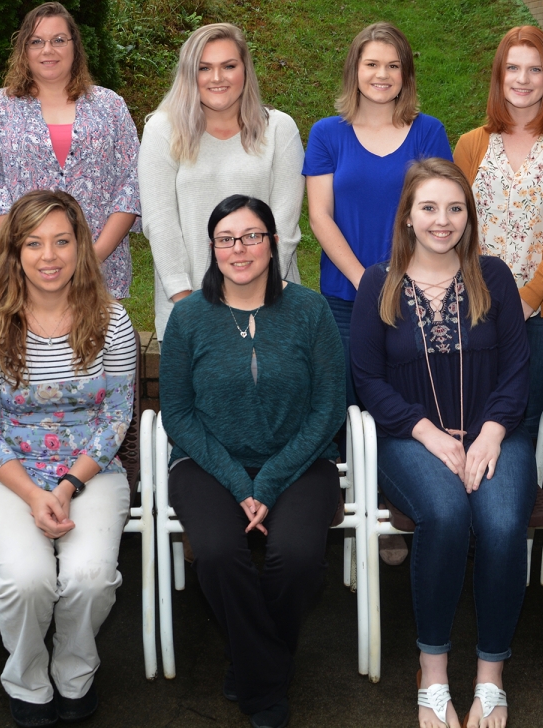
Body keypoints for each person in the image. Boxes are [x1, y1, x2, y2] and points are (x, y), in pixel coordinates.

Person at [350, 159, 532, 728]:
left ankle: (490, 675)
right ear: (407, 216)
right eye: (428, 207)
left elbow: (518, 371)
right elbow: (367, 380)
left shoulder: (494, 277)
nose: (442, 220)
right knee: (448, 514)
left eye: (455, 208)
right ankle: (433, 675)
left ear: (469, 217)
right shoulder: (377, 284)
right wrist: (425, 432)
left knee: (503, 524)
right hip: (409, 437)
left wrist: (492, 433)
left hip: (495, 430)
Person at [159, 195, 345, 728]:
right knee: (217, 553)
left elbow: (328, 407)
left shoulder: (310, 311)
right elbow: (177, 413)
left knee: (297, 557)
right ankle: (267, 679)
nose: (239, 249)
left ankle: (250, 663)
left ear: (274, 242)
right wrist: (240, 481)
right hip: (207, 462)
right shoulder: (189, 316)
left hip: (301, 460)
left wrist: (271, 480)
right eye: (226, 239)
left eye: (252, 236)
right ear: (212, 247)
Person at [0, 189, 137, 727]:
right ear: (13, 253)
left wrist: (64, 488)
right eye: (33, 243)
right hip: (7, 474)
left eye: (62, 240)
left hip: (90, 470)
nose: (49, 255)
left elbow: (117, 416)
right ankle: (27, 677)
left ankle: (74, 669)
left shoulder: (112, 319)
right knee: (27, 580)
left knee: (89, 577)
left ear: (81, 247)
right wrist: (35, 495)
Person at [453, 26, 543, 442]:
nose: (522, 79)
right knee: (472, 412)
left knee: (526, 418)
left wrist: (528, 299)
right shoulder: (470, 145)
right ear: (499, 76)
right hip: (476, 304)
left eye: (535, 69)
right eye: (513, 67)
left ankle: (522, 502)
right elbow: (455, 226)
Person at [304, 21, 453, 406]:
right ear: (355, 70)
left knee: (412, 401)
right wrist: (366, 282)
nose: (381, 75)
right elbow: (319, 216)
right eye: (371, 64)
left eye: (393, 65)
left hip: (418, 291)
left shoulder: (428, 132)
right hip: (345, 294)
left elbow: (443, 215)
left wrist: (401, 282)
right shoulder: (327, 134)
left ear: (406, 74)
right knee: (347, 406)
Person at [0, 1, 141, 300]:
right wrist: (32, 257)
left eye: (59, 40)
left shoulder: (110, 106)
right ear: (24, 50)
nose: (48, 50)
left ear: (75, 47)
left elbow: (131, 186)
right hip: (20, 274)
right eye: (37, 42)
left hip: (98, 273)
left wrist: (89, 259)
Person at [139, 23, 305, 339]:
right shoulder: (163, 130)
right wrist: (186, 302)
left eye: (229, 66)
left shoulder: (280, 129)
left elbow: (284, 228)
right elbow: (160, 224)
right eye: (205, 68)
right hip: (188, 308)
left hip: (271, 305)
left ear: (245, 70)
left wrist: (256, 301)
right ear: (190, 74)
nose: (217, 78)